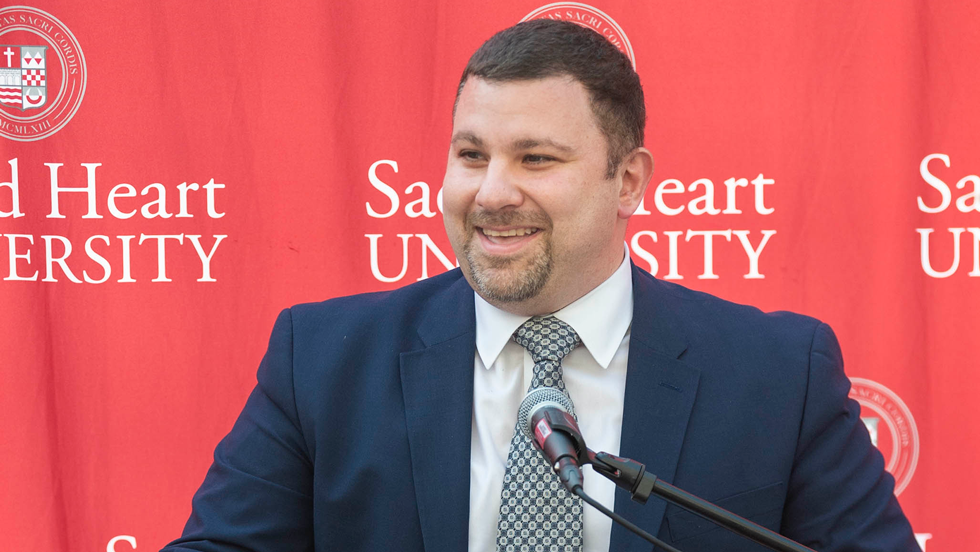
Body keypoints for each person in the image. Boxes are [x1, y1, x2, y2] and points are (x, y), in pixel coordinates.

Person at [164, 19, 919, 552]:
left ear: (628, 181)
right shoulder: (323, 359)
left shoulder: (779, 374)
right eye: (471, 155)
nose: (491, 192)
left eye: (536, 159)